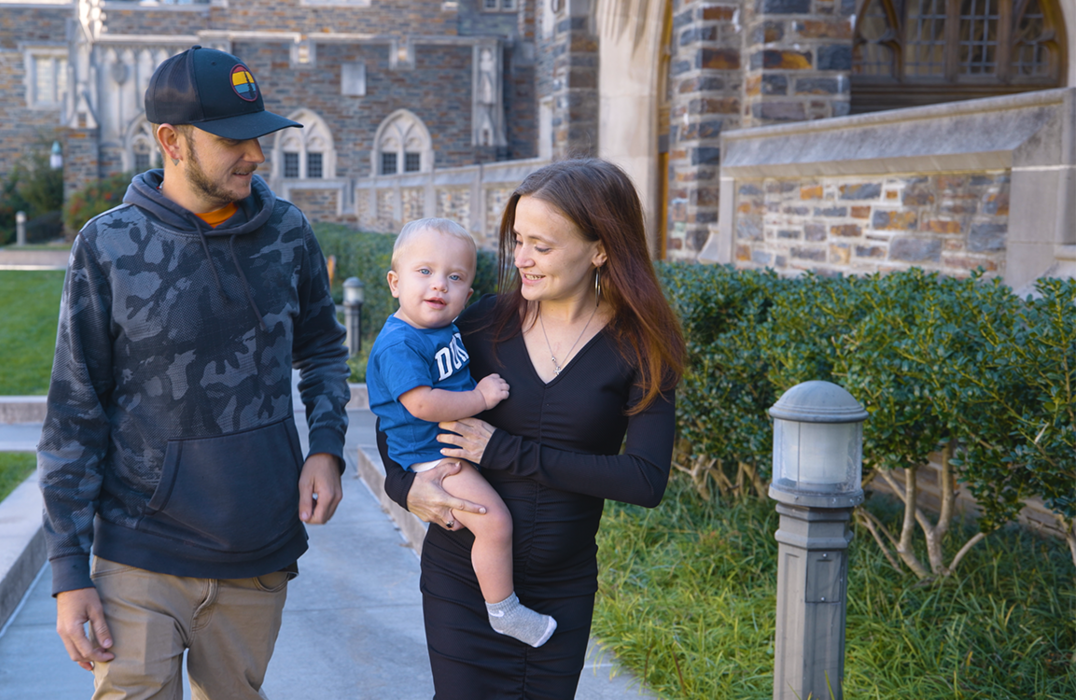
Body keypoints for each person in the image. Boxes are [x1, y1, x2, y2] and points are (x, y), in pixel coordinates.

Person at [38, 45, 350, 700]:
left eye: (258, 136)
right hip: (139, 553)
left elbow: (322, 348)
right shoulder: (108, 245)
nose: (256, 155)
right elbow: (74, 412)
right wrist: (70, 573)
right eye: (233, 140)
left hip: (257, 550)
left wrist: (326, 450)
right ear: (171, 140)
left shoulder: (288, 233)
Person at [379, 159, 686, 699]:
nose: (520, 259)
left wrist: (505, 450)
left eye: (541, 246)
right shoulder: (475, 324)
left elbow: (644, 480)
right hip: (462, 582)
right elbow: (400, 418)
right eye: (518, 239)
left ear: (600, 248)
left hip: (559, 590)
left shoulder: (640, 346)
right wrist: (407, 488)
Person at [366, 217, 556, 648]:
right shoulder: (401, 343)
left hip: (446, 447)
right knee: (495, 523)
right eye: (424, 272)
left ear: (467, 296)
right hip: (433, 456)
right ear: (394, 282)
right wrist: (481, 398)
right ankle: (504, 611)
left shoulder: (441, 328)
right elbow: (423, 404)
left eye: (454, 278)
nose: (439, 286)